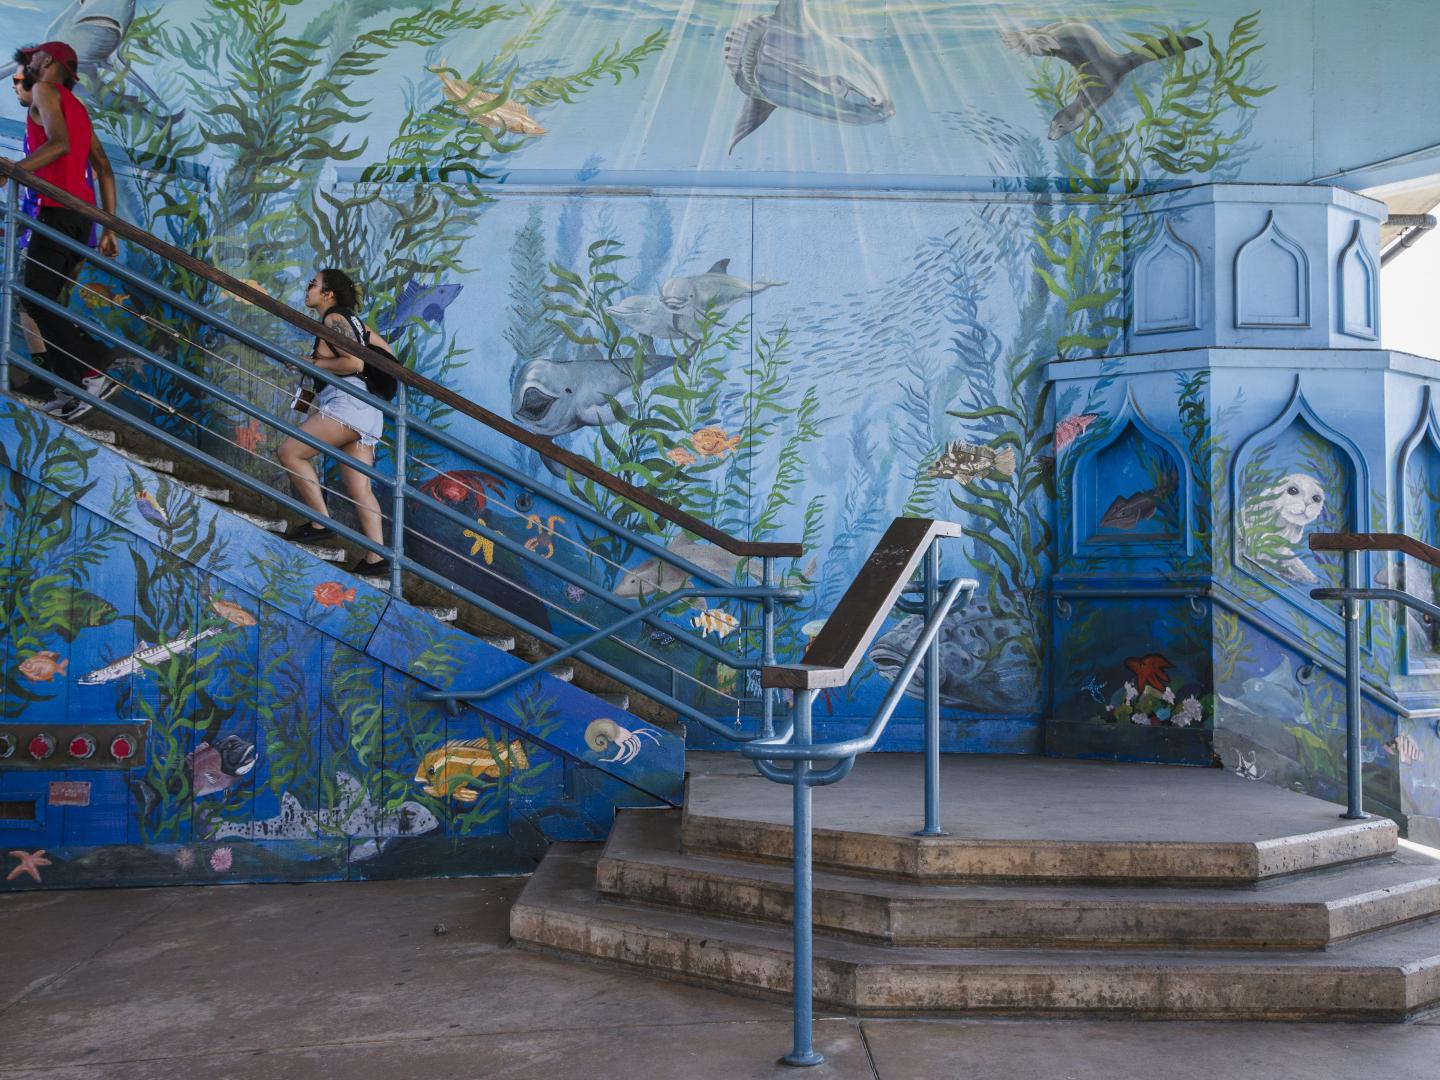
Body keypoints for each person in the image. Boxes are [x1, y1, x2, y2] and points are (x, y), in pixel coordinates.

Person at [1, 41, 121, 420]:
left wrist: (14, 172)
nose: (28, 65)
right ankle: (69, 384)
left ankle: (92, 366)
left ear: (46, 61)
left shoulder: (44, 90)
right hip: (79, 216)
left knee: (34, 299)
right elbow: (103, 168)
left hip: (57, 210)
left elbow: (59, 144)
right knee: (44, 299)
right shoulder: (77, 108)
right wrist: (108, 227)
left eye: (32, 59)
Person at [277, 267, 394, 577]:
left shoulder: (333, 318)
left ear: (328, 294)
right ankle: (377, 557)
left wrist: (312, 362)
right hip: (367, 410)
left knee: (290, 452)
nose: (307, 289)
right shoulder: (355, 323)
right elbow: (387, 353)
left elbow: (353, 362)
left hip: (348, 404)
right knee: (359, 487)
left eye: (313, 285)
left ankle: (320, 522)